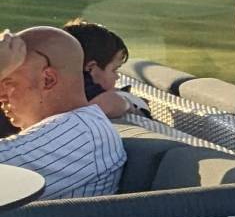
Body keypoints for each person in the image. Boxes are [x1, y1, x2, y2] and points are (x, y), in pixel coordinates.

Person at [0, 26, 126, 196]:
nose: (1, 95)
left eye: (7, 82)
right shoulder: (79, 127)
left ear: (48, 80)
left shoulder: (80, 134)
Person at [62, 19, 140, 121]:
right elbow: (109, 103)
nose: (117, 76)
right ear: (90, 68)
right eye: (114, 70)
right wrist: (127, 104)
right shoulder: (82, 83)